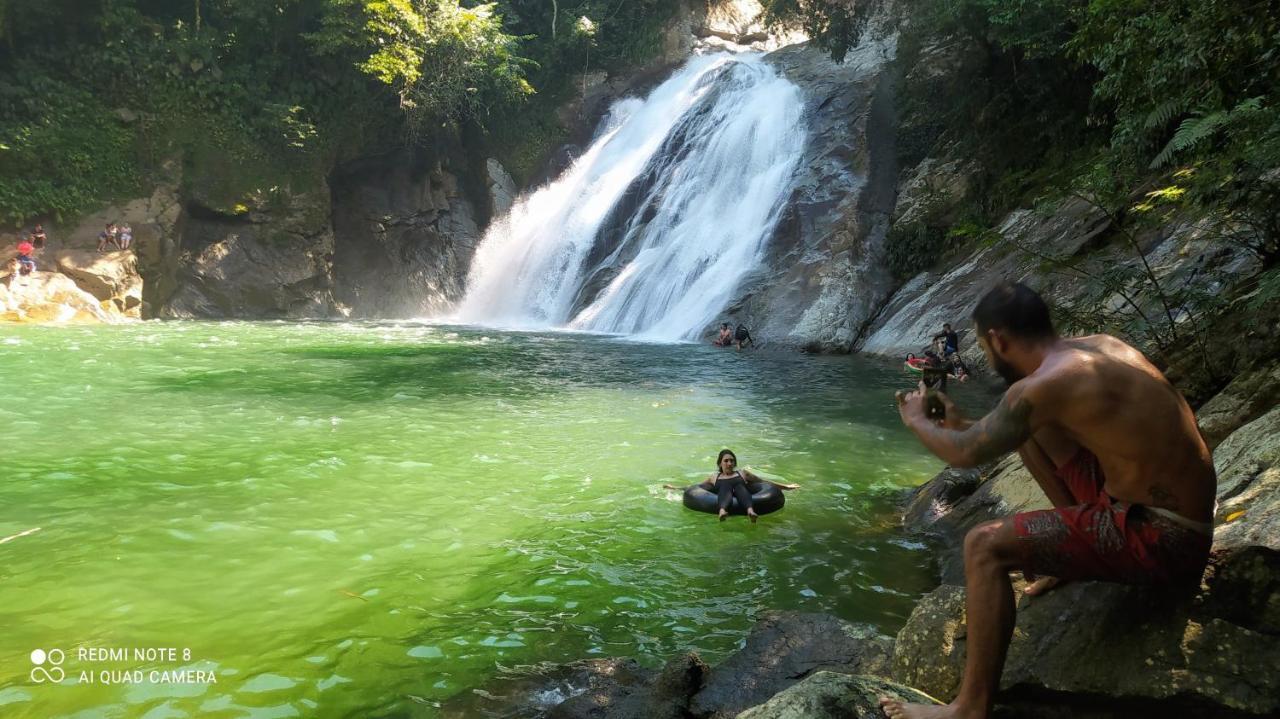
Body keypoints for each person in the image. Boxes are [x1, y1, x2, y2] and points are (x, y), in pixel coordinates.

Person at [882, 282, 1216, 719]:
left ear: (998, 339)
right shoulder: (1097, 349)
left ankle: (970, 707)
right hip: (1170, 513)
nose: (986, 356)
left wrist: (915, 420)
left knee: (982, 546)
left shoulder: (1044, 387)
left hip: (1162, 535)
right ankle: (1067, 557)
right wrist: (958, 421)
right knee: (1033, 432)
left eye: (984, 346)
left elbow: (964, 454)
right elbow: (990, 432)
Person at [701, 449, 762, 522]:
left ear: (734, 463)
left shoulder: (742, 473)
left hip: (741, 493)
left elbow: (762, 482)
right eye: (726, 461)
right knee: (725, 486)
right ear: (720, 464)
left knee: (739, 487)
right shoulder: (714, 477)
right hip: (724, 494)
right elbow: (699, 487)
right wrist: (685, 489)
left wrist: (779, 487)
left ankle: (750, 511)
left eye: (731, 461)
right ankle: (722, 511)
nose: (729, 463)